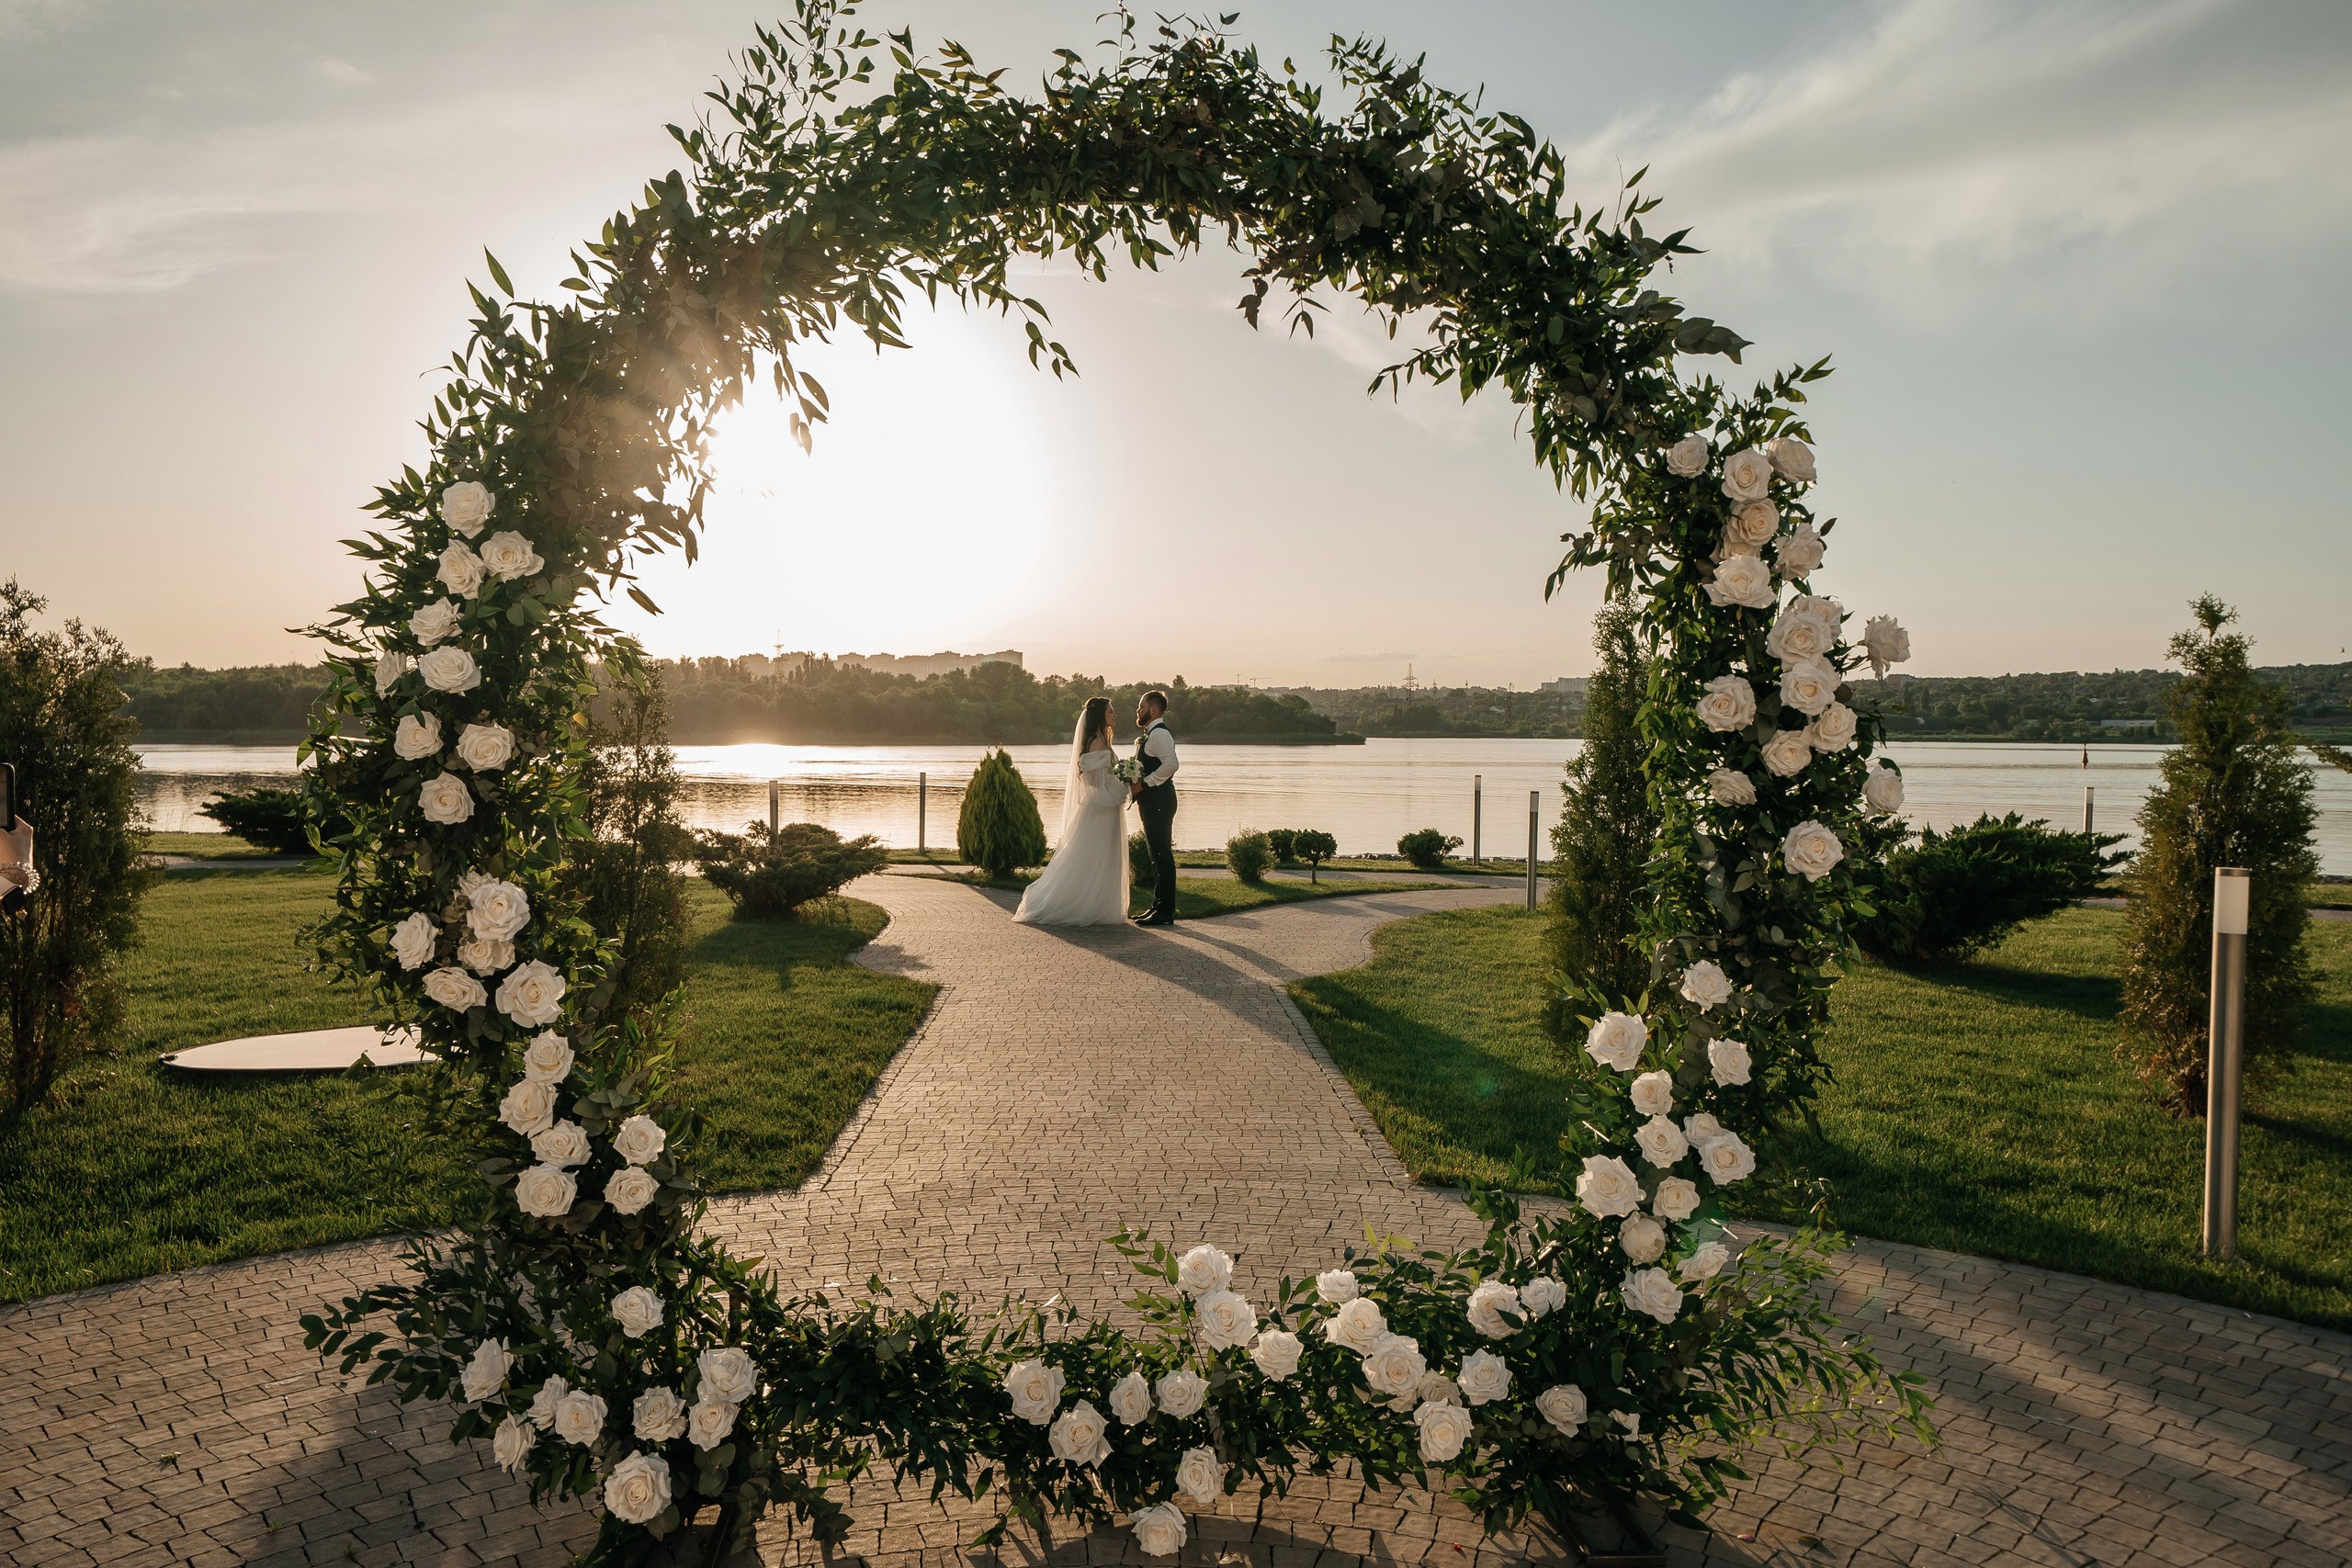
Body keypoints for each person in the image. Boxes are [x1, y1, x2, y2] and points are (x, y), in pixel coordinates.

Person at [1012, 697, 1133, 927]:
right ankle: (1082, 904)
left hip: (1108, 810)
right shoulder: (1096, 743)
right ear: (1099, 716)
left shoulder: (1103, 740)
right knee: (1092, 856)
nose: (1115, 716)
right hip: (1100, 811)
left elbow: (1105, 777)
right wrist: (1122, 785)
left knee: (1104, 857)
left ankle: (1099, 904)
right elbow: (1094, 783)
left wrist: (1123, 778)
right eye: (1111, 712)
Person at [1128, 690, 1179, 926]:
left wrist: (1145, 783)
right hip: (1153, 801)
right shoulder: (1150, 735)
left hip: (1159, 801)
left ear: (1154, 710)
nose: (1138, 711)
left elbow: (1172, 764)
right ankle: (1158, 907)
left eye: (1141, 706)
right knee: (1155, 855)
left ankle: (1166, 911)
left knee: (1162, 855)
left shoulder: (1159, 735)